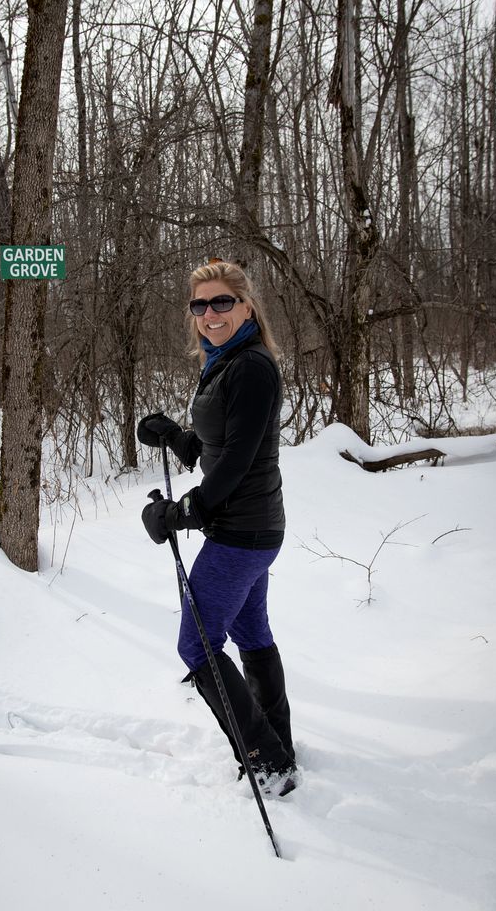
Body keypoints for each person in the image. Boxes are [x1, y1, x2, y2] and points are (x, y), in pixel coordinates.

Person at [138, 259, 296, 796]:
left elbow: (237, 464)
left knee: (198, 645)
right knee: (252, 635)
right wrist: (175, 437)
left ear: (247, 306)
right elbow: (218, 448)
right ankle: (278, 743)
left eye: (222, 302)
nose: (210, 314)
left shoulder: (250, 367)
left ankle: (267, 762)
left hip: (239, 533)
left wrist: (181, 514)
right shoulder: (226, 361)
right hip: (252, 531)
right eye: (200, 305)